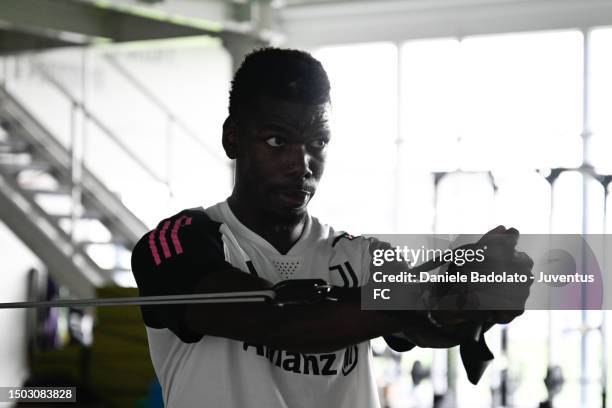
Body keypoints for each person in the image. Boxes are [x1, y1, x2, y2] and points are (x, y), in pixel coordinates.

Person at [130, 48, 533, 408]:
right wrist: (430, 293)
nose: (301, 163)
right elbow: (279, 324)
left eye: (317, 143)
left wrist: (475, 295)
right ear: (232, 139)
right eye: (276, 141)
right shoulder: (175, 245)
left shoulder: (360, 255)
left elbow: (426, 327)